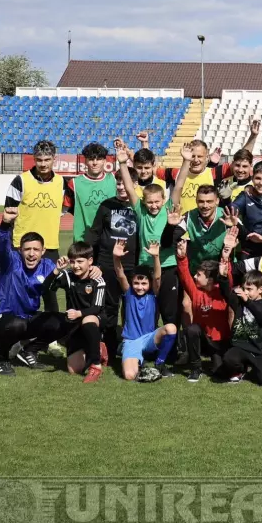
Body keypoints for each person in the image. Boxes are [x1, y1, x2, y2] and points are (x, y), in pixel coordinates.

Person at [117, 143, 191, 334]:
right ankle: (145, 345)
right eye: (149, 202)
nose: (153, 205)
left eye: (157, 201)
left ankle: (170, 350)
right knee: (147, 310)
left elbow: (179, 185)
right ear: (143, 202)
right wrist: (123, 164)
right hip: (146, 265)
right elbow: (129, 188)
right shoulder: (140, 211)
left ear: (163, 200)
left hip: (169, 265)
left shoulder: (168, 208)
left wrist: (186, 161)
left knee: (169, 310)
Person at [0, 207, 59, 375]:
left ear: (43, 252)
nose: (31, 254)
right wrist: (5, 224)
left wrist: (89, 271)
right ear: (20, 250)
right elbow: (0, 248)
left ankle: (29, 351)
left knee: (61, 320)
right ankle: (1, 358)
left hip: (26, 320)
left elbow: (69, 282)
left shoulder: (48, 266)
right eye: (27, 249)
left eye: (36, 250)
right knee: (18, 324)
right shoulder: (10, 263)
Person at [85, 165, 141, 360]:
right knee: (109, 307)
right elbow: (94, 234)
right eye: (118, 183)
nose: (120, 187)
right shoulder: (106, 205)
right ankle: (109, 344)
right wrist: (91, 261)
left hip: (132, 266)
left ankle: (131, 344)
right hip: (107, 265)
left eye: (124, 183)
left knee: (131, 306)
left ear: (134, 185)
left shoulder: (139, 206)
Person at [6, 140, 65, 315]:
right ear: (34, 159)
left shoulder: (62, 183)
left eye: (47, 159)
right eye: (39, 160)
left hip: (50, 245)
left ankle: (51, 334)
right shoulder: (20, 181)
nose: (43, 164)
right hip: (22, 246)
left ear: (54, 159)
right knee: (20, 288)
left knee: (50, 289)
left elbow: (68, 207)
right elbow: (9, 213)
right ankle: (21, 329)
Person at [41, 242, 108, 383]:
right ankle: (98, 348)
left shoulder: (97, 279)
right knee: (74, 370)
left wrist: (78, 313)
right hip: (74, 325)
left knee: (88, 320)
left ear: (90, 261)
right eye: (72, 262)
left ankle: (95, 364)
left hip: (94, 319)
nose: (76, 265)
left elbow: (97, 308)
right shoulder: (67, 275)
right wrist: (56, 270)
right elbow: (46, 289)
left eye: (80, 261)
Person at [112, 240, 178, 382]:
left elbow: (158, 277)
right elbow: (120, 274)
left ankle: (159, 363)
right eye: (136, 283)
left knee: (171, 328)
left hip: (150, 339)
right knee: (130, 376)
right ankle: (126, 352)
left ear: (149, 283)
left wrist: (155, 257)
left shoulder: (153, 294)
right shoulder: (128, 293)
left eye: (144, 283)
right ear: (132, 283)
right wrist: (116, 258)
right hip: (132, 341)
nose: (140, 287)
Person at [175, 239, 231, 382]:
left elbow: (228, 278)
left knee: (220, 371)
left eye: (199, 275)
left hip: (220, 341)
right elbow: (185, 276)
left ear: (210, 280)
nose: (195, 277)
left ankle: (216, 360)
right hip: (202, 340)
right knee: (192, 329)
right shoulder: (196, 291)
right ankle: (196, 368)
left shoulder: (222, 292)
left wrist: (225, 258)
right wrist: (182, 257)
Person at [216, 265, 262, 386]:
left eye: (249, 289)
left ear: (260, 290)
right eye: (244, 288)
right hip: (241, 346)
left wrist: (248, 301)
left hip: (260, 350)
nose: (245, 292)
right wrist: (223, 277)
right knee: (228, 359)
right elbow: (226, 292)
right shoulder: (239, 301)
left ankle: (253, 371)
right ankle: (240, 370)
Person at [64, 142, 116, 243]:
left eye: (99, 159)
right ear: (85, 161)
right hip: (83, 241)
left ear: (105, 161)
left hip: (109, 240)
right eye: (91, 159)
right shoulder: (74, 183)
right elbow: (62, 210)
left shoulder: (114, 180)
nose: (95, 162)